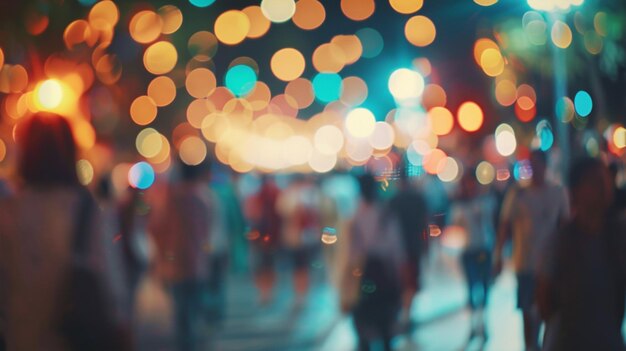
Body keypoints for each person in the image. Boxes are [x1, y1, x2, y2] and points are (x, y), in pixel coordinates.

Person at [0, 114, 126, 350]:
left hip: (22, 339)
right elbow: (111, 286)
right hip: (75, 339)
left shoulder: (7, 212)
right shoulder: (87, 210)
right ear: (71, 152)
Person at [537, 157, 626, 350]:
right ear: (576, 191)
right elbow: (544, 302)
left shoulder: (618, 235)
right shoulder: (558, 242)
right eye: (594, 181)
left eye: (605, 179)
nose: (604, 186)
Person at [493, 150, 569, 351]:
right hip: (525, 264)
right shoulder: (518, 193)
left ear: (545, 166)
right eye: (531, 165)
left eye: (537, 164)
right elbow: (505, 224)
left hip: (551, 266)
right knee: (527, 312)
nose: (534, 169)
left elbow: (566, 226)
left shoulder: (557, 192)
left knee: (549, 313)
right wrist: (498, 255)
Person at [150, 160, 214, 351]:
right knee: (192, 312)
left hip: (175, 265)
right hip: (197, 264)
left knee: (182, 314)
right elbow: (208, 234)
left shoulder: (172, 199)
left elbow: (157, 229)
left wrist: (163, 256)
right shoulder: (204, 199)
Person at [343, 174, 405, 351]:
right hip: (384, 274)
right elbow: (396, 249)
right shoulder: (385, 213)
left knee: (363, 324)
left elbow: (350, 253)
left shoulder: (354, 216)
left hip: (362, 275)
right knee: (385, 325)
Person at [450, 171, 497, 341]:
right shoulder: (459, 207)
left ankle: (483, 324)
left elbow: (491, 224)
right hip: (468, 251)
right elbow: (455, 227)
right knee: (471, 288)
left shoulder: (485, 203)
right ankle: (473, 326)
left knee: (484, 287)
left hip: (483, 249)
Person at [385, 165, 429, 332]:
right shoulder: (417, 198)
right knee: (411, 281)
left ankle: (404, 313)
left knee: (403, 282)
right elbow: (425, 223)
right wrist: (426, 246)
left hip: (399, 248)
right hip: (414, 246)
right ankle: (407, 312)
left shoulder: (393, 200)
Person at [244, 175, 282, 305]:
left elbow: (250, 215)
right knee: (268, 266)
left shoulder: (257, 196)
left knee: (261, 266)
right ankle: (267, 292)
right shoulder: (276, 194)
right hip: (271, 237)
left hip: (260, 237)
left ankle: (264, 292)